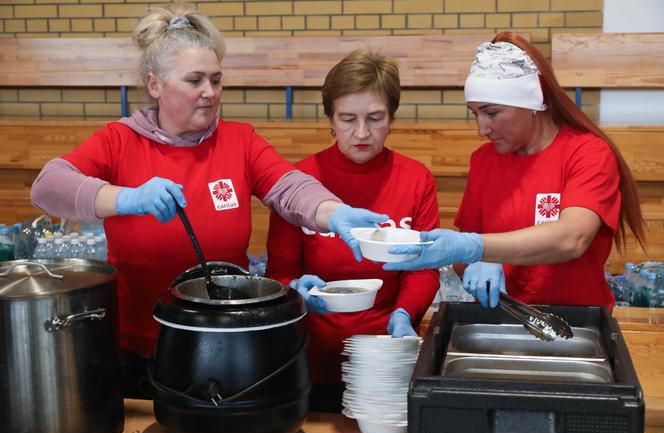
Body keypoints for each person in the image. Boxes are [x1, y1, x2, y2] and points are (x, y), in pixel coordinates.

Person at [30, 4, 387, 398]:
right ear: (155, 84)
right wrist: (126, 198)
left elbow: (289, 187)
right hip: (137, 348)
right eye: (195, 80)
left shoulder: (239, 141)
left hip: (227, 345)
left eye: (216, 80)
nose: (210, 92)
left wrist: (334, 214)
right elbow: (47, 186)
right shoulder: (119, 141)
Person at [385, 32, 646, 310]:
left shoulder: (587, 154)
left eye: (492, 113)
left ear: (531, 104)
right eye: (475, 113)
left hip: (576, 325)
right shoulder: (485, 160)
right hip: (503, 320)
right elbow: (465, 257)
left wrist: (479, 249)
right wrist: (476, 260)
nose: (481, 129)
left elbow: (573, 238)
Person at [266, 50, 440, 412]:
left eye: (375, 118)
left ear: (392, 118)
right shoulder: (298, 184)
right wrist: (294, 291)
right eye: (348, 119)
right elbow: (281, 272)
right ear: (330, 118)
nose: (362, 133)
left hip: (383, 357)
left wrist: (405, 313)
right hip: (308, 355)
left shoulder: (415, 179)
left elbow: (423, 267)